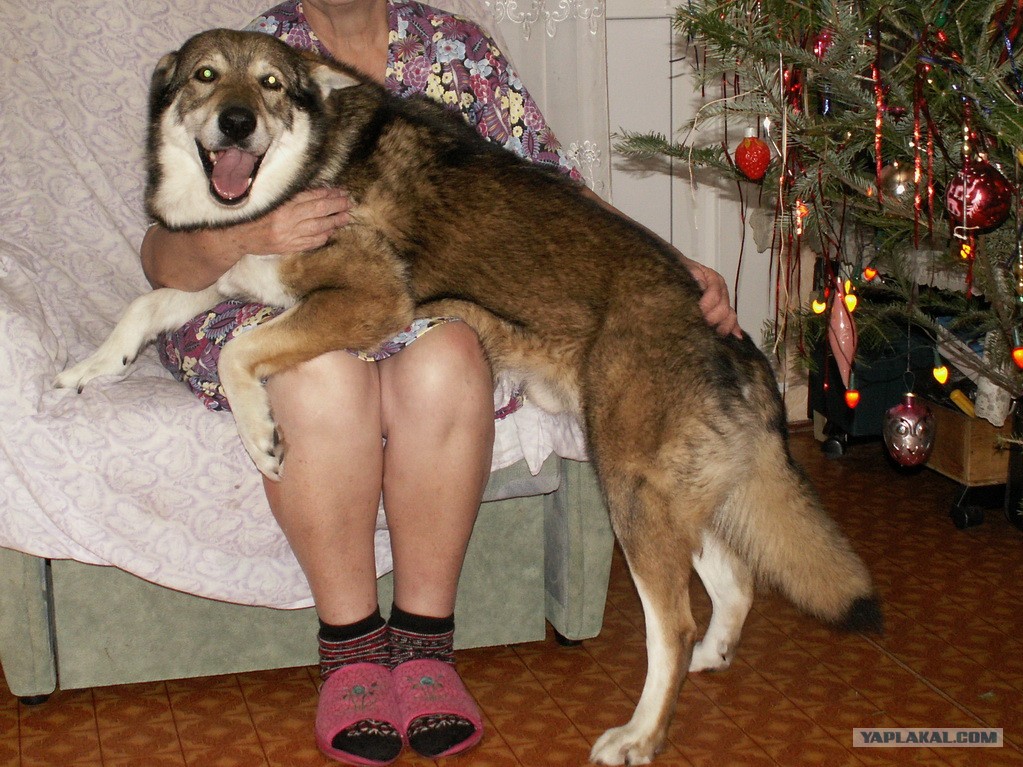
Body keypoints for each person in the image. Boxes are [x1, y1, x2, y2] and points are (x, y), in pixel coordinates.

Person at [143, 1, 740, 764]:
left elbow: (554, 191)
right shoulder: (247, 57)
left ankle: (424, 644)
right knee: (320, 372)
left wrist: (671, 264)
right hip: (270, 304)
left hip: (424, 305)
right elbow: (161, 256)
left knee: (449, 360)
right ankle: (352, 651)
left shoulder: (455, 47)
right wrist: (248, 233)